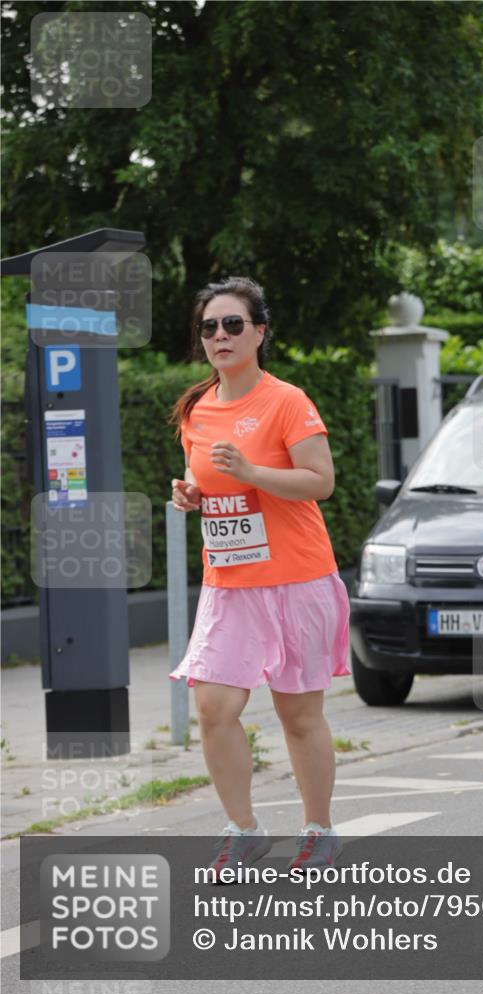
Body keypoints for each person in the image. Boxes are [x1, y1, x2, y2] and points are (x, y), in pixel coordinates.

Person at [168, 276, 351, 879]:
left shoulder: (286, 401)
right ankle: (244, 830)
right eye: (208, 327)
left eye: (232, 325)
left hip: (295, 577)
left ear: (259, 332)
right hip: (229, 583)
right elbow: (212, 481)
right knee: (213, 708)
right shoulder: (196, 407)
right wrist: (193, 494)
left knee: (298, 716)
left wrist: (251, 469)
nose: (219, 336)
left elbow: (319, 480)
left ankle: (318, 831)